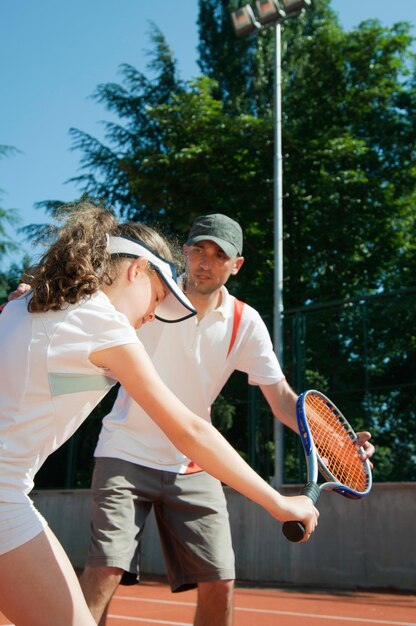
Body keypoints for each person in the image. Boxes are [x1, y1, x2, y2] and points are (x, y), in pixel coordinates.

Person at [0, 205, 320, 626]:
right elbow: (189, 429)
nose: (153, 312)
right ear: (136, 270)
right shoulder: (103, 323)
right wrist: (278, 502)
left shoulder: (39, 306)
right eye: (156, 296)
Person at [75, 214, 374, 626]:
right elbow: (88, 308)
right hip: (125, 452)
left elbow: (285, 402)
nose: (204, 261)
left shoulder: (244, 323)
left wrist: (341, 446)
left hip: (194, 464)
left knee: (220, 580)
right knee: (105, 569)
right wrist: (33, 297)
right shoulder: (151, 297)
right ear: (184, 251)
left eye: (219, 255)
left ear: (236, 265)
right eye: (198, 249)